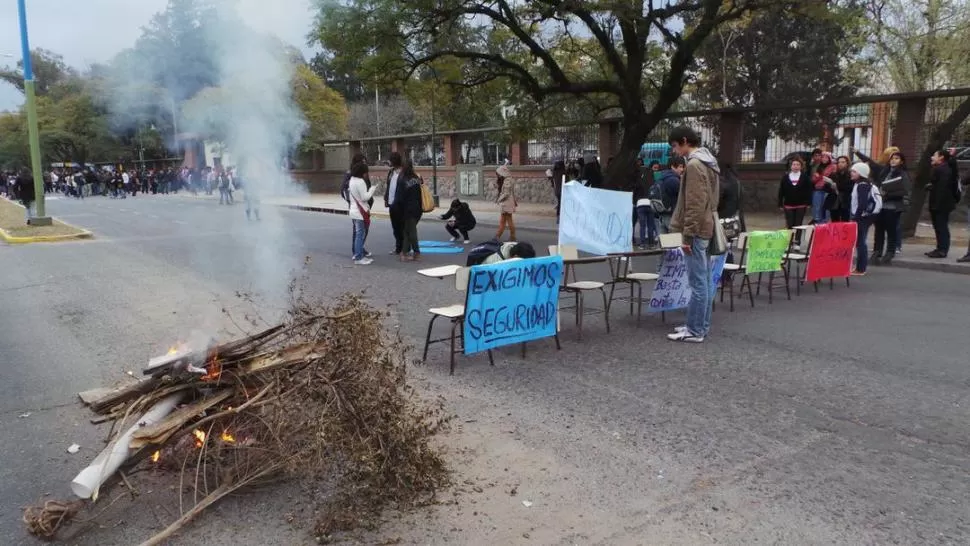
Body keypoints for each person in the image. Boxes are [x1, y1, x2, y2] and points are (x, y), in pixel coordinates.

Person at [666, 126, 720, 343]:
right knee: (704, 281)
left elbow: (694, 204)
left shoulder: (695, 164)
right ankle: (698, 325)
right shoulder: (708, 162)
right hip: (706, 227)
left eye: (675, 145)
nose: (675, 150)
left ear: (685, 141)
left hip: (696, 231)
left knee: (698, 283)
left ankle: (695, 330)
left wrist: (687, 236)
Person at [871, 151, 911, 266]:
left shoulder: (903, 174)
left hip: (893, 206)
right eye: (892, 158)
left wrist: (888, 194)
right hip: (880, 206)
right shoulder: (884, 171)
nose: (893, 160)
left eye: (897, 158)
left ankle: (890, 252)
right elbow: (877, 184)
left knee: (891, 230)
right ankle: (877, 251)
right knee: (879, 230)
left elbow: (905, 191)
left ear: (901, 161)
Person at [925, 149, 960, 258]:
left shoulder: (942, 169)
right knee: (940, 227)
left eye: (934, 155)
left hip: (941, 204)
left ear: (941, 157)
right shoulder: (944, 168)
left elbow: (942, 188)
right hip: (942, 203)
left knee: (941, 227)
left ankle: (942, 250)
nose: (932, 157)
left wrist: (936, 204)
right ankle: (940, 248)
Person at [850, 163, 882, 276]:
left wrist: (855, 217)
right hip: (866, 216)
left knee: (860, 242)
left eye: (854, 171)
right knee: (860, 241)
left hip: (862, 217)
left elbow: (862, 204)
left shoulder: (862, 185)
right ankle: (860, 267)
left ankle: (861, 268)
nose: (852, 173)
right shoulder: (864, 184)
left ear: (861, 173)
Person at [347, 161, 377, 265]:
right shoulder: (360, 182)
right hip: (360, 211)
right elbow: (365, 197)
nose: (366, 174)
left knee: (358, 234)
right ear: (362, 172)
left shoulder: (351, 180)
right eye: (366, 172)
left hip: (354, 210)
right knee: (360, 234)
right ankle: (359, 257)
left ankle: (357, 255)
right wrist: (372, 189)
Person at [398, 159, 424, 262]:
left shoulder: (402, 179)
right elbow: (419, 194)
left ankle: (416, 253)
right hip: (417, 207)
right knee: (407, 231)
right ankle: (403, 253)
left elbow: (400, 198)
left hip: (407, 209)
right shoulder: (416, 178)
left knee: (411, 232)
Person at [778, 157, 813, 229]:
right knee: (790, 224)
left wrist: (809, 202)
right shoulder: (785, 178)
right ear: (791, 166)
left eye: (798, 165)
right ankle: (790, 239)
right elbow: (781, 191)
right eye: (794, 164)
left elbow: (809, 190)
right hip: (788, 204)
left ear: (801, 166)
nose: (796, 166)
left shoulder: (805, 177)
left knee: (798, 225)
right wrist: (780, 203)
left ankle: (797, 239)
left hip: (801, 204)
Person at [383, 152, 405, 255]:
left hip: (401, 204)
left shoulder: (404, 172)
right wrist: (386, 198)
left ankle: (404, 248)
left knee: (402, 227)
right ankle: (398, 248)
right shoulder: (391, 172)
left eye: (391, 160)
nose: (389, 162)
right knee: (395, 227)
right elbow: (389, 186)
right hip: (392, 203)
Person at [656, 157, 684, 233]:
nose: (682, 169)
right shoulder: (673, 180)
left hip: (662, 214)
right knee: (674, 242)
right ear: (672, 166)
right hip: (672, 216)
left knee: (664, 242)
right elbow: (683, 195)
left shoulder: (662, 177)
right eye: (680, 167)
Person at [811, 152, 837, 224]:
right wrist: (819, 177)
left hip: (827, 190)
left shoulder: (833, 166)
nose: (824, 159)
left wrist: (819, 176)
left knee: (825, 208)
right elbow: (813, 179)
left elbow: (831, 177)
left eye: (826, 157)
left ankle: (824, 222)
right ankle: (817, 221)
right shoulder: (819, 166)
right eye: (823, 157)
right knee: (817, 207)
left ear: (829, 158)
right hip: (818, 189)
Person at [494, 164, 517, 242]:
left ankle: (499, 236)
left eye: (499, 173)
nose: (498, 175)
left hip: (506, 203)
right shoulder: (508, 179)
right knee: (504, 220)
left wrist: (499, 200)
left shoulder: (507, 180)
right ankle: (499, 236)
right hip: (507, 202)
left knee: (506, 220)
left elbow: (506, 193)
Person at [830, 155, 853, 222]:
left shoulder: (851, 174)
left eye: (843, 162)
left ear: (847, 163)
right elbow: (826, 188)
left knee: (845, 222)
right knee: (834, 222)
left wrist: (837, 186)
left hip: (845, 201)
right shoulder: (833, 174)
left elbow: (850, 187)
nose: (840, 164)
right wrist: (830, 186)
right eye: (839, 162)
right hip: (834, 202)